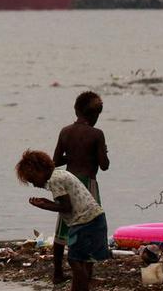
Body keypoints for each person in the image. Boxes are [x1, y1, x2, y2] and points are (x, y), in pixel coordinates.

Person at [16, 150, 109, 291]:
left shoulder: (54, 180)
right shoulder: (60, 174)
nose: (35, 184)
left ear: (39, 170)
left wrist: (44, 206)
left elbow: (66, 207)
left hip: (84, 222)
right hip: (95, 218)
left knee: (75, 260)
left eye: (33, 180)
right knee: (83, 261)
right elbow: (65, 203)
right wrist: (47, 202)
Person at [50, 91, 109, 284]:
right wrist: (101, 152)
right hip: (87, 186)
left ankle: (58, 272)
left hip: (67, 183)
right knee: (89, 227)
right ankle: (87, 274)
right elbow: (104, 164)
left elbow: (56, 160)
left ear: (76, 110)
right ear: (95, 114)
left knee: (62, 230)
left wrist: (73, 156)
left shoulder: (65, 131)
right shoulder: (97, 134)